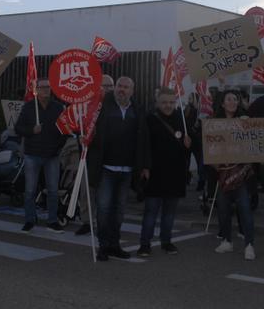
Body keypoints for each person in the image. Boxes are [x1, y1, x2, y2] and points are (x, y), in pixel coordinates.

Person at [87, 76, 149, 261]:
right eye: (119, 86)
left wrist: (144, 165)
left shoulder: (137, 110)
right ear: (115, 88)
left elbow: (143, 139)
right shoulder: (101, 107)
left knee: (120, 210)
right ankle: (103, 246)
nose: (122, 90)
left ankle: (115, 244)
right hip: (105, 167)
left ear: (132, 90)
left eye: (126, 87)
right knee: (104, 209)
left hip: (126, 169)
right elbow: (89, 129)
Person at [137, 88, 191, 256]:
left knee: (169, 212)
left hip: (175, 173)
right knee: (151, 212)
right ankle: (145, 245)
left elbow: (187, 147)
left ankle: (166, 242)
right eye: (164, 102)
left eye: (171, 102)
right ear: (157, 103)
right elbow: (143, 145)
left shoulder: (181, 118)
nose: (168, 105)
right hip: (155, 173)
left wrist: (189, 144)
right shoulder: (149, 119)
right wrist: (144, 167)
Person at [15, 78, 67, 233]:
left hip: (52, 155)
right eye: (42, 87)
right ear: (36, 90)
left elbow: (64, 130)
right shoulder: (29, 107)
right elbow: (18, 128)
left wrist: (58, 147)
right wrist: (32, 130)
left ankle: (52, 220)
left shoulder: (58, 107)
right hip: (32, 155)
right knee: (30, 190)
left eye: (48, 87)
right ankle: (30, 219)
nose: (46, 90)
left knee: (52, 190)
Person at [212, 90, 256, 261]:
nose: (232, 102)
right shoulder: (215, 123)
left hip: (241, 172)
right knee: (223, 209)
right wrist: (214, 163)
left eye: (235, 99)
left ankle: (249, 245)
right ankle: (226, 241)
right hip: (223, 172)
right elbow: (210, 148)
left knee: (245, 209)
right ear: (222, 103)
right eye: (228, 99)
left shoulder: (245, 121)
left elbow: (255, 142)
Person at [74, 74, 115, 236]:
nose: (106, 89)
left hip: (110, 157)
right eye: (103, 86)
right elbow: (78, 126)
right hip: (89, 155)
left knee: (107, 195)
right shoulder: (88, 106)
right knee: (87, 192)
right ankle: (87, 221)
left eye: (110, 86)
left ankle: (107, 222)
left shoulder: (116, 106)